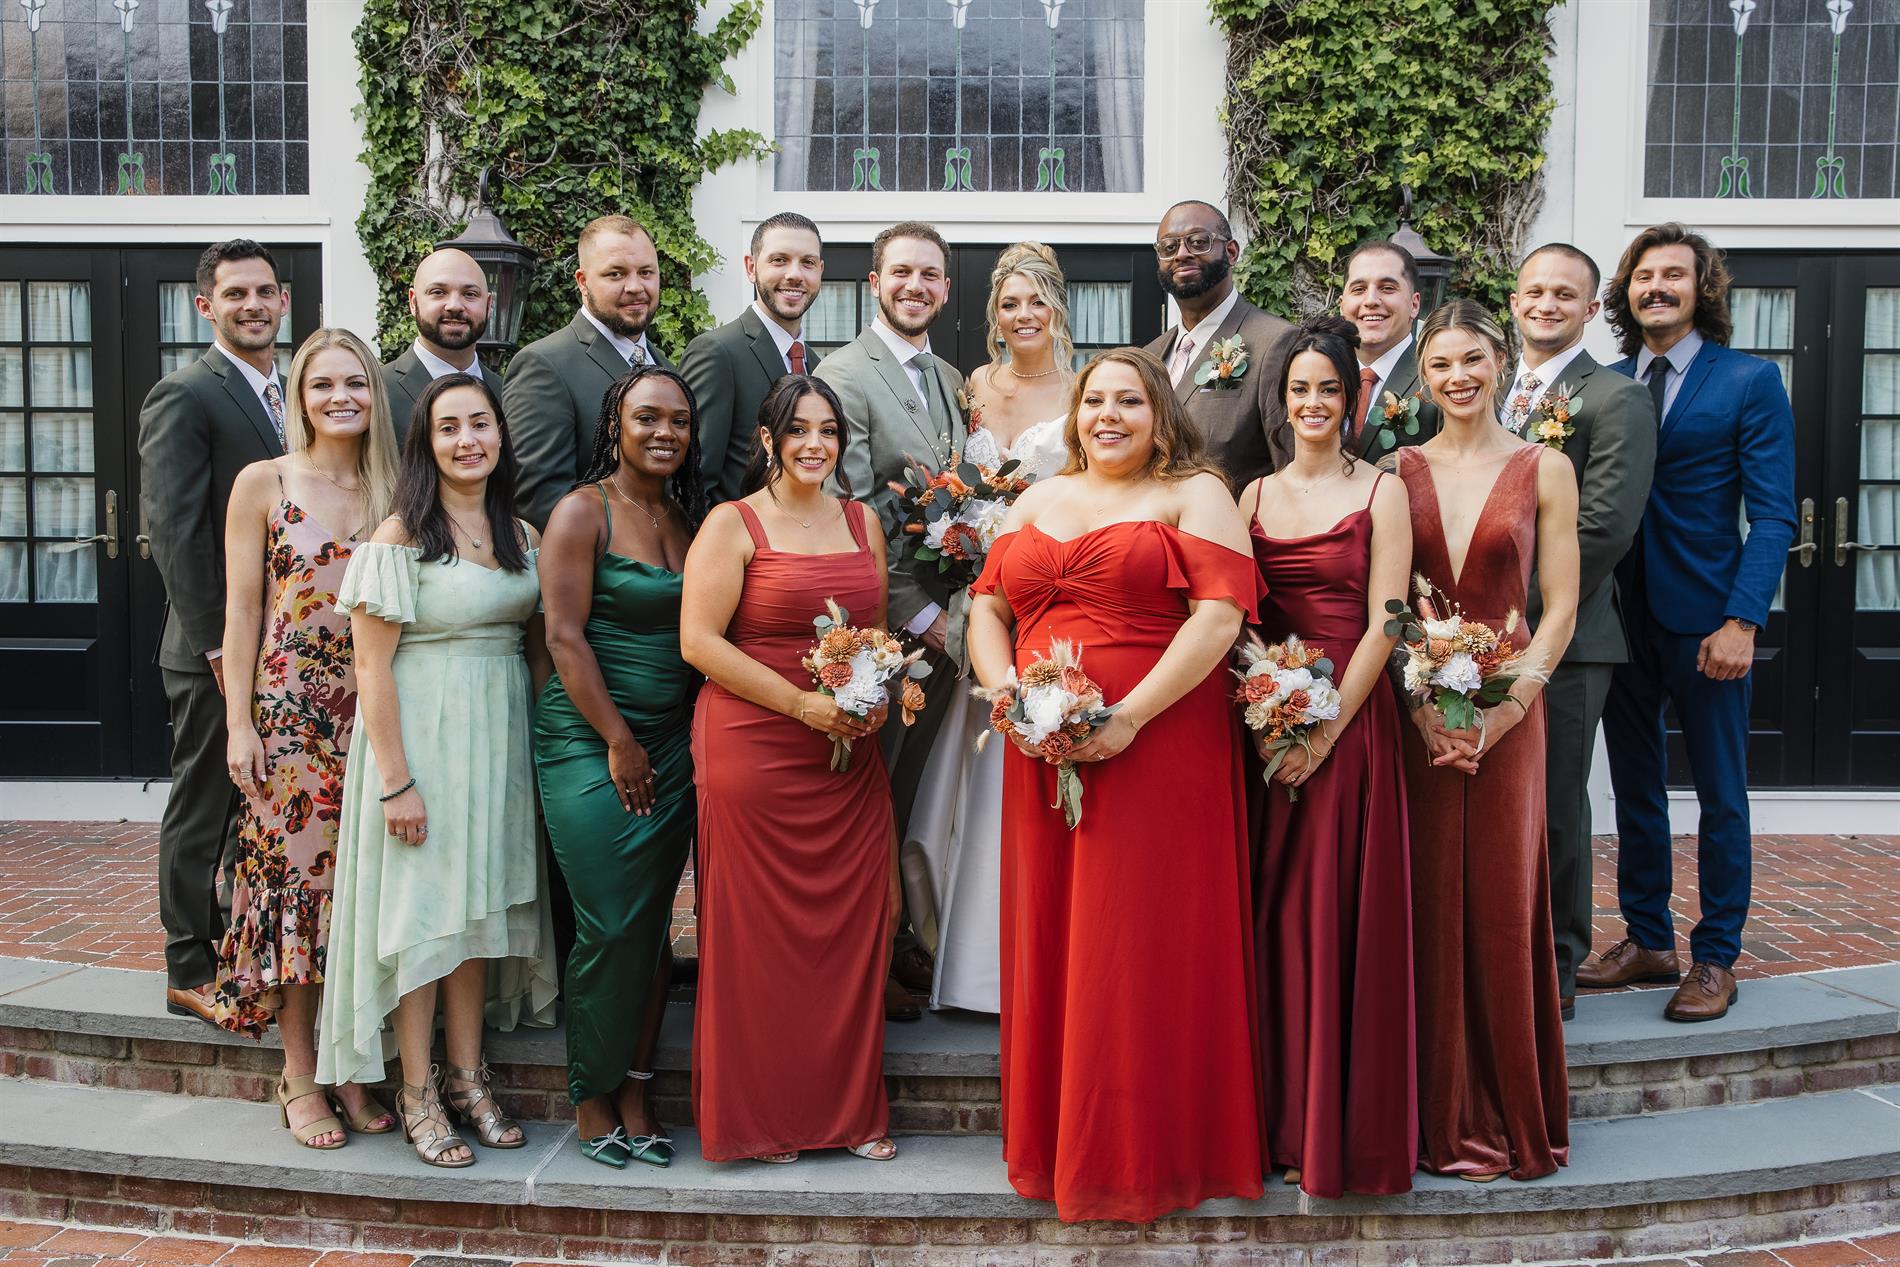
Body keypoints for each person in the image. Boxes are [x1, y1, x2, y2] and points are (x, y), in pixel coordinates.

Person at [967, 347, 1264, 1222]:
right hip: (1041, 749)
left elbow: (1219, 617)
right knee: (1059, 935)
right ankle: (1060, 1143)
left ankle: (1143, 1155)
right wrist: (1008, 695)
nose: (1108, 415)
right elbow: (987, 607)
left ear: (1159, 411)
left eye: (1129, 401)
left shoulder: (1195, 492)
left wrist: (1129, 716)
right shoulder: (1037, 498)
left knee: (1137, 940)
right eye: (1094, 400)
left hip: (1157, 746)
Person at [317, 373, 558, 1169]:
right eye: (448, 427)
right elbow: (371, 670)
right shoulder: (398, 538)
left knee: (476, 915)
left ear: (500, 434)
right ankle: (417, 1091)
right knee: (424, 920)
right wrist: (396, 781)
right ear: (425, 443)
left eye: (479, 423)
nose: (466, 440)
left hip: (498, 746)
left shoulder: (520, 533)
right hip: (420, 743)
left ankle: (468, 1076)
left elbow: (537, 654)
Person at [680, 374, 899, 1166]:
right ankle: (766, 1116)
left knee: (853, 928)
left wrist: (878, 694)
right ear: (768, 439)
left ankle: (849, 1109)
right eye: (799, 429)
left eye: (828, 430)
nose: (815, 444)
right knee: (761, 939)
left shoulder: (862, 520)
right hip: (755, 747)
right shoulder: (732, 523)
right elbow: (699, 642)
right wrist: (801, 705)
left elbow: (876, 633)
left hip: (846, 755)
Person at [1587, 223, 1797, 1023]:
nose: (1657, 288)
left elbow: (1773, 514)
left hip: (1707, 620)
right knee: (1635, 787)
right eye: (1644, 276)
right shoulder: (1606, 382)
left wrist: (1743, 618)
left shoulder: (1749, 381)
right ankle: (1648, 937)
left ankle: (1716, 955)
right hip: (1618, 617)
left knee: (1720, 793)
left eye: (1674, 275)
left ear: (1700, 289)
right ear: (1627, 291)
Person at [1394, 299, 1578, 1182]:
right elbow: (1389, 604)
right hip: (1419, 706)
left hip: (1514, 703)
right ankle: (1428, 1111)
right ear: (1422, 376)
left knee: (1504, 898)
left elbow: (1561, 606)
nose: (1457, 376)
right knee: (1424, 895)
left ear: (1500, 362)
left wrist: (1507, 709)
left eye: (1471, 359)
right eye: (1440, 364)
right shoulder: (1396, 471)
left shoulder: (1546, 466)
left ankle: (1508, 1108)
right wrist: (1421, 706)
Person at [1237, 316, 1415, 1198]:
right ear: (1281, 398)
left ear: (1352, 399)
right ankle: (1276, 1120)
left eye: (1329, 389)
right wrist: (1269, 710)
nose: (1313, 402)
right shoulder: (1251, 497)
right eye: (1299, 388)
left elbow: (1388, 623)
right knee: (1273, 914)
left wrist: (1326, 727)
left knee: (1333, 911)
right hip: (1266, 725)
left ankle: (1336, 1129)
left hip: (1350, 723)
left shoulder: (1383, 491)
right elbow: (1237, 620)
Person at [212, 328, 401, 1148]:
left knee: (359, 892)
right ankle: (298, 1071)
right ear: (300, 396)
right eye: (322, 384)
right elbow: (243, 610)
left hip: (376, 713)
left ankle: (349, 1063)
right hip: (289, 722)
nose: (339, 397)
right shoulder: (265, 481)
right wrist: (239, 723)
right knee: (296, 893)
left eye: (354, 382)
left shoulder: (398, 487)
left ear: (373, 393)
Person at [534, 364, 707, 1169]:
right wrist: (618, 738)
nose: (663, 431)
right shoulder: (583, 510)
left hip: (670, 745)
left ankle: (638, 1087)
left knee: (651, 925)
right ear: (616, 425)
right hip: (590, 739)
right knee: (608, 924)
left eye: (678, 420)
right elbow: (562, 635)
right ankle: (590, 1093)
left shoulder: (688, 518)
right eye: (647, 418)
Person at [906, 242, 1074, 1015]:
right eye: (1010, 303)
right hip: (974, 598)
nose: (1023, 315)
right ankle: (968, 960)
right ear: (993, 314)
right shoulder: (970, 386)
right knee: (971, 776)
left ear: (1057, 306)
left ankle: (1035, 957)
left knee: (1027, 760)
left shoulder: (1083, 391)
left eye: (1036, 300)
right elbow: (953, 483)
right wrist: (958, 537)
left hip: (1046, 601)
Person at [814, 220, 965, 1020]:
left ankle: (901, 933)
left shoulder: (950, 375)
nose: (916, 285)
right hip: (889, 626)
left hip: (949, 626)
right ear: (874, 282)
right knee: (871, 795)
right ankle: (863, 958)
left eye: (929, 274)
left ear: (945, 287)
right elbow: (858, 508)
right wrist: (926, 613)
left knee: (914, 791)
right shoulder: (843, 374)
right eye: (901, 271)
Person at [1503, 243, 1657, 1018]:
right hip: (1474, 637)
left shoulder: (1615, 397)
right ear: (1514, 300)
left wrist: (1512, 611)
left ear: (1592, 308)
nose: (1547, 304)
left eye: (1565, 294)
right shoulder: (1490, 387)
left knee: (1556, 800)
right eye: (1535, 291)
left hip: (1567, 635)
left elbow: (1603, 528)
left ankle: (1557, 967)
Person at [139, 239, 291, 1026]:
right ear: (205, 306)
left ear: (284, 300)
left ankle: (241, 951)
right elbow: (174, 532)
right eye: (235, 294)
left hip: (282, 644)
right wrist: (217, 650)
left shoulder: (290, 392)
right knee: (204, 803)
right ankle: (188, 964)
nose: (252, 305)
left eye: (264, 291)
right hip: (212, 648)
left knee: (254, 804)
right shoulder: (186, 394)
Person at [507, 215, 676, 529]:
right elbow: (541, 500)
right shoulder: (544, 365)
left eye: (646, 272)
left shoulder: (667, 368)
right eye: (616, 274)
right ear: (582, 282)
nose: (635, 287)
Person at [1143, 200, 1295, 488]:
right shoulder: (1149, 356)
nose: (1182, 254)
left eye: (1198, 242)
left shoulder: (1276, 342)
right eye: (1169, 247)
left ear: (1231, 252)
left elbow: (1291, 468)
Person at [681, 212, 825, 504]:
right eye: (779, 260)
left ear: (820, 271)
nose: (795, 274)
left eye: (807, 262)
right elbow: (693, 482)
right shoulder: (717, 352)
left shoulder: (816, 364)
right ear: (751, 267)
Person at [382, 248, 505, 438]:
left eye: (470, 294)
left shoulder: (508, 394)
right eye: (438, 292)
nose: (454, 305)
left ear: (489, 305)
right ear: (413, 302)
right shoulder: (377, 390)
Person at [1338, 240, 1441, 463]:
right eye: (1359, 289)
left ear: (1414, 304)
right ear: (1342, 305)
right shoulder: (1324, 373)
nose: (1371, 301)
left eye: (1387, 288)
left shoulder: (1437, 380)